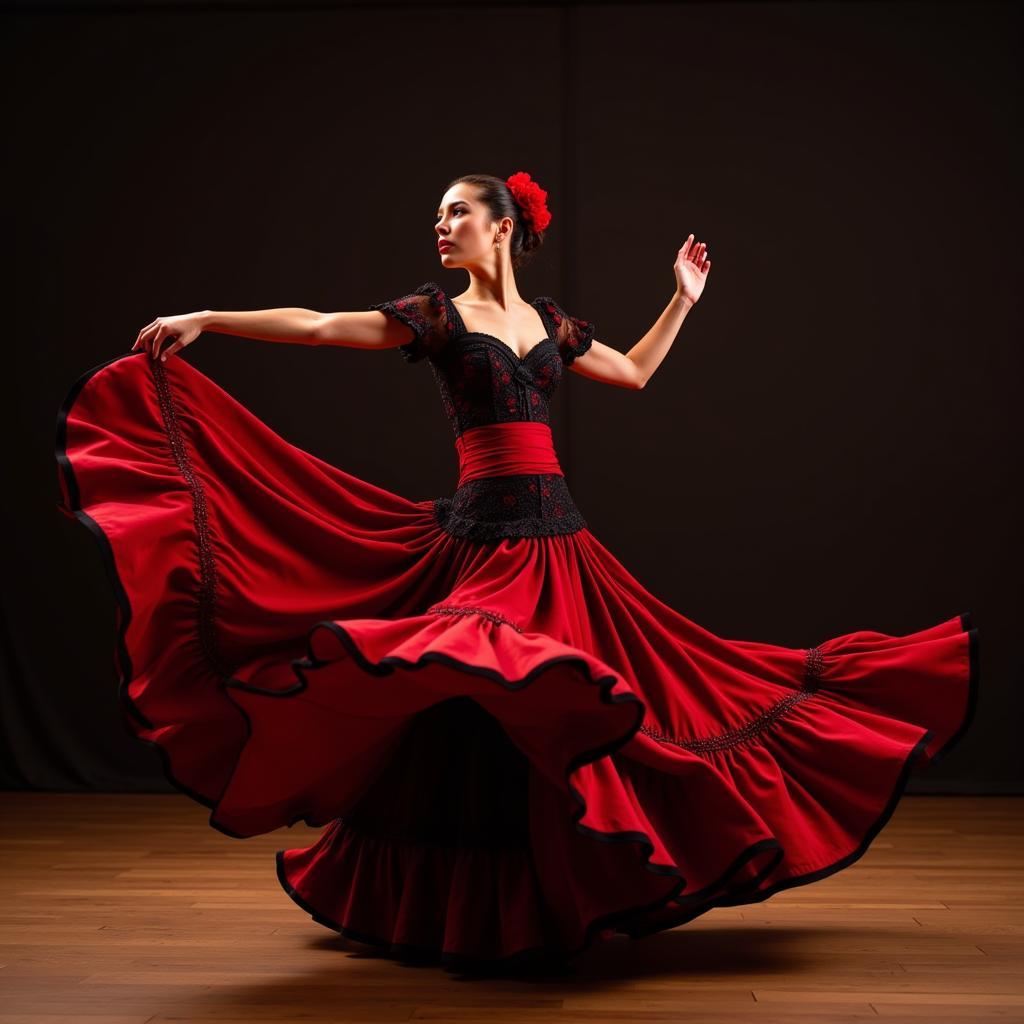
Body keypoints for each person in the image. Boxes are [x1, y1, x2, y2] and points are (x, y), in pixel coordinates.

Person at [55, 170, 979, 976]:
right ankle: (470, 913)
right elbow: (323, 327)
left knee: (593, 707)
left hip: (560, 543)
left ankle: (545, 901)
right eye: (438, 216)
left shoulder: (550, 325)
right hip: (484, 542)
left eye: (456, 212)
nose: (441, 225)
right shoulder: (436, 315)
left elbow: (635, 374)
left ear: (502, 227)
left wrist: (682, 301)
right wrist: (210, 318)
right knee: (473, 695)